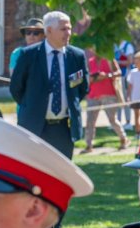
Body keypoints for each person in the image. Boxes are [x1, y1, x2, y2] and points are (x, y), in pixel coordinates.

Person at [10, 10, 88, 158]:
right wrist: (32, 106)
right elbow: (16, 89)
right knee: (34, 173)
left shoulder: (76, 56)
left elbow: (83, 88)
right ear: (49, 31)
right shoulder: (28, 55)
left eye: (69, 28)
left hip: (64, 128)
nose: (68, 33)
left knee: (62, 176)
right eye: (63, 29)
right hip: (34, 126)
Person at [82, 47, 128, 153]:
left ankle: (123, 139)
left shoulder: (109, 59)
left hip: (109, 93)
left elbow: (119, 72)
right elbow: (86, 76)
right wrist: (92, 78)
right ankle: (89, 145)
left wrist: (107, 75)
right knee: (90, 121)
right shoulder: (90, 61)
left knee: (112, 119)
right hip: (93, 94)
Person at [114, 38, 137, 129]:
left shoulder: (128, 46)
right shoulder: (114, 46)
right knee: (117, 99)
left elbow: (130, 61)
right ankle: (117, 122)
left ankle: (128, 122)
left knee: (126, 98)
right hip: (116, 76)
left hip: (125, 76)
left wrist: (116, 62)